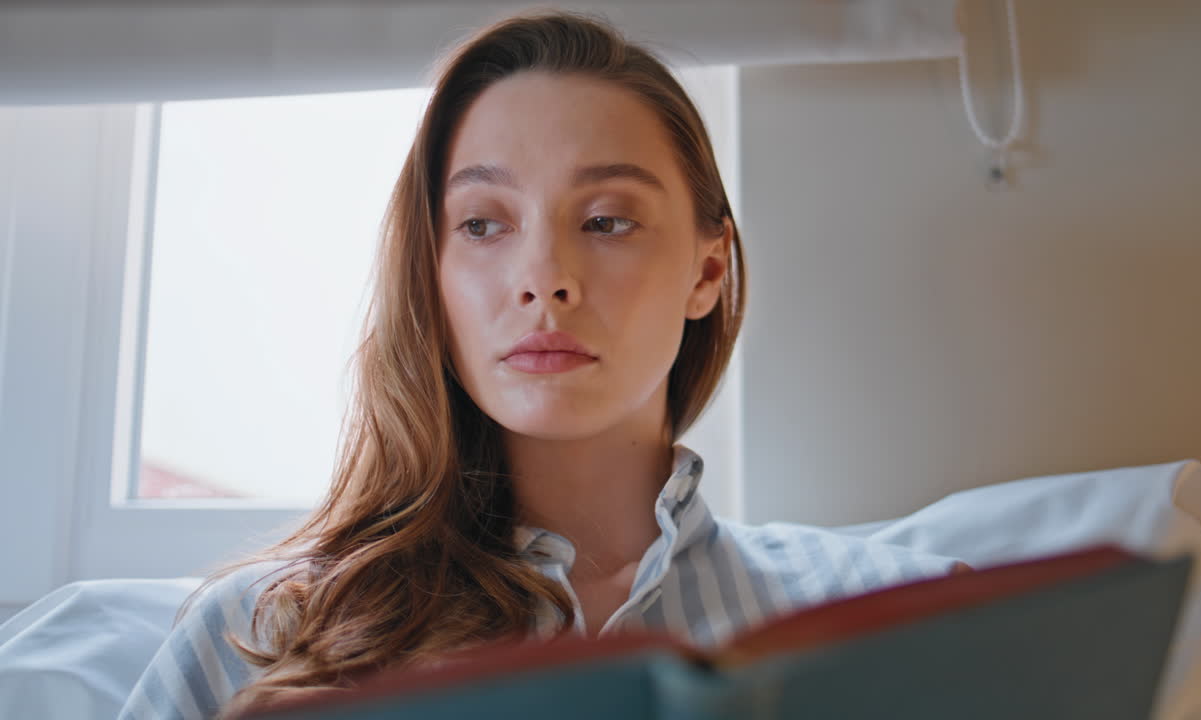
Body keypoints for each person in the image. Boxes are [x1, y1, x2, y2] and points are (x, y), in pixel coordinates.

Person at [118, 10, 968, 720]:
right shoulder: (257, 638)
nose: (545, 281)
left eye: (606, 221)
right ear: (432, 272)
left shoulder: (915, 621)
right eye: (484, 225)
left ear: (707, 271)